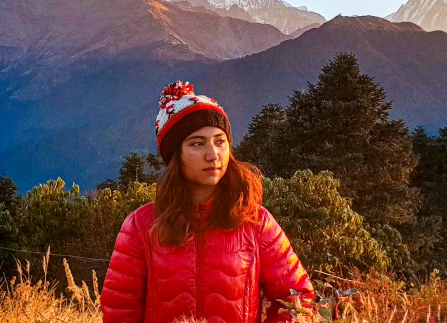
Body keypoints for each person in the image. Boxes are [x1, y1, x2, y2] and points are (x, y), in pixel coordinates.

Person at [101, 81, 315, 323]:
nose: (213, 155)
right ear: (175, 155)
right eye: (197, 143)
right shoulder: (141, 226)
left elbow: (297, 299)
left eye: (219, 141)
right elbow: (119, 310)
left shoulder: (256, 222)